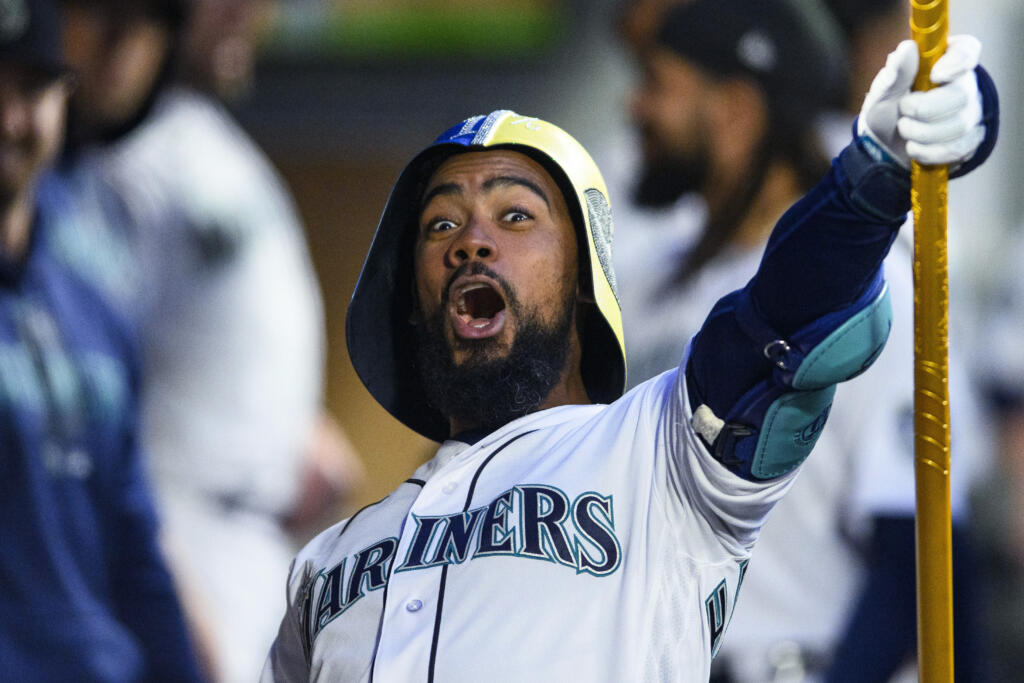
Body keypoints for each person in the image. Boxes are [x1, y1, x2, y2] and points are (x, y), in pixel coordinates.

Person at [260, 20, 999, 678]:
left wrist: (873, 181)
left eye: (515, 214)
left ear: (583, 286)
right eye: (439, 226)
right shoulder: (321, 566)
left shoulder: (658, 449)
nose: (472, 240)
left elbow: (779, 319)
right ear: (409, 305)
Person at [619, 1, 991, 679]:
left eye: (658, 85)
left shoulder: (865, 286)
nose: (635, 106)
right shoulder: (641, 286)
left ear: (734, 111)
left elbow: (915, 553)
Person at [54, 1, 365, 680]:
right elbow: (98, 401)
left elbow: (202, 347)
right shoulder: (111, 165)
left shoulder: (197, 137)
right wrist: (167, 583)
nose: (248, 13)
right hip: (187, 544)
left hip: (259, 541)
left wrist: (287, 432)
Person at [0, 0, 203, 680]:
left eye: (30, 89)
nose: (9, 119)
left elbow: (135, 549)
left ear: (63, 99)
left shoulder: (96, 310)